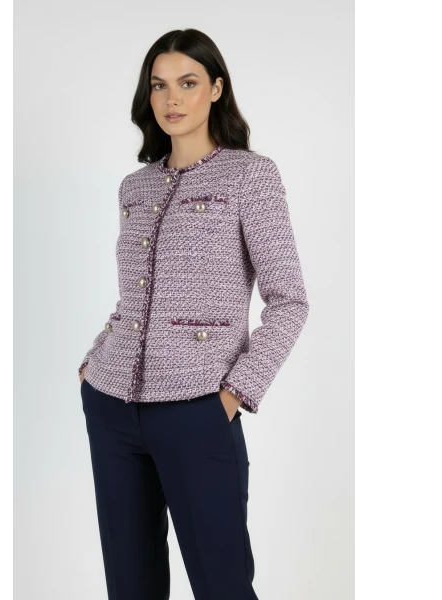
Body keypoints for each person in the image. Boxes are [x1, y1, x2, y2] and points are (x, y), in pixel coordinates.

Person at [78, 28, 310, 600]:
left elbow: (289, 301)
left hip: (198, 410)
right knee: (130, 587)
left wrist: (233, 394)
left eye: (187, 83)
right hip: (111, 409)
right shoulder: (135, 187)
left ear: (216, 89)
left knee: (223, 586)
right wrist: (92, 364)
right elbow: (133, 299)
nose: (171, 99)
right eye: (159, 86)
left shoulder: (250, 176)